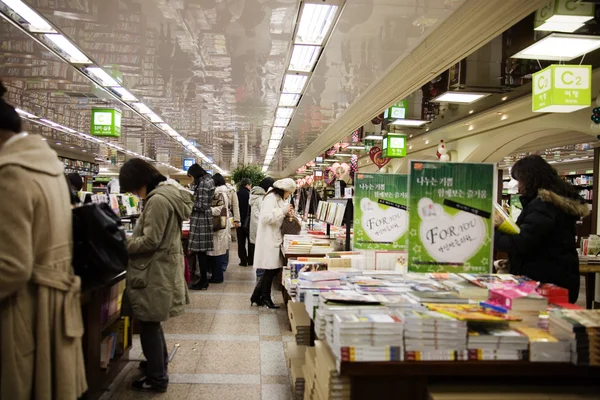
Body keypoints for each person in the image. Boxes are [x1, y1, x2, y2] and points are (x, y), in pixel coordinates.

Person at [0, 82, 87, 399]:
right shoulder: (50, 170)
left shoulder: (11, 172)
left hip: (26, 308)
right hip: (57, 305)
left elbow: (11, 266)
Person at [119, 158, 193, 393]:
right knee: (152, 322)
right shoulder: (165, 196)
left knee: (150, 324)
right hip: (159, 268)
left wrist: (124, 243)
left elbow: (151, 240)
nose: (134, 194)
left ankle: (157, 377)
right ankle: (156, 367)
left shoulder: (158, 201)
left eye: (132, 188)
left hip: (154, 270)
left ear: (139, 182)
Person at [494, 155, 589, 303]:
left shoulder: (544, 206)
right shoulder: (549, 204)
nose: (518, 187)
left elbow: (523, 242)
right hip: (555, 277)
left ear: (530, 179)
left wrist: (493, 232)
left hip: (547, 281)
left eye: (520, 181)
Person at [251, 178, 297, 309]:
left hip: (274, 237)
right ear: (284, 190)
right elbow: (265, 217)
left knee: (272, 269)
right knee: (271, 269)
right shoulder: (270, 198)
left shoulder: (278, 198)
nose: (288, 195)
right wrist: (282, 211)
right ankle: (265, 297)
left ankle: (257, 296)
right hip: (269, 238)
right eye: (289, 192)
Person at [188, 163, 215, 290]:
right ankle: (203, 279)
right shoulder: (209, 181)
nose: (192, 179)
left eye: (192, 176)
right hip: (204, 219)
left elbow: (203, 205)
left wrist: (189, 202)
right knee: (201, 252)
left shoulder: (204, 183)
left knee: (200, 252)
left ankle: (203, 280)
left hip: (201, 220)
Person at [249, 177, 275, 278]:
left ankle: (260, 273)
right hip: (260, 228)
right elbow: (264, 216)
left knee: (260, 251)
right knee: (262, 252)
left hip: (256, 227)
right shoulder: (261, 198)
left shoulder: (256, 196)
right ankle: (261, 274)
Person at [209, 173, 232, 283]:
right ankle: (216, 275)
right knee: (217, 251)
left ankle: (217, 277)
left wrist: (209, 210)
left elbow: (221, 209)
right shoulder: (224, 192)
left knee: (216, 252)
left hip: (218, 224)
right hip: (222, 224)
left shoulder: (220, 193)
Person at [220, 180, 241, 272]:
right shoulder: (213, 190)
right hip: (216, 218)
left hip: (228, 217)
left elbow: (235, 206)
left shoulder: (231, 191)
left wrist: (237, 220)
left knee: (226, 241)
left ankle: (224, 263)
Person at [237, 178, 253, 266]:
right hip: (249, 222)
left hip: (239, 221)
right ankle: (250, 261)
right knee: (250, 242)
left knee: (241, 243)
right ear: (247, 185)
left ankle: (243, 261)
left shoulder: (237, 194)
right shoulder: (250, 195)